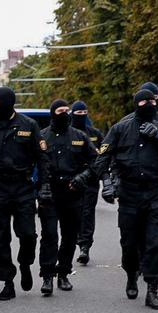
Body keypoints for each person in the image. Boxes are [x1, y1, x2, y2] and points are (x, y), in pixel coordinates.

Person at [94, 89, 158, 310]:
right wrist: (107, 183)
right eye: (144, 101)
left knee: (155, 243)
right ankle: (131, 274)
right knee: (130, 244)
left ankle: (152, 289)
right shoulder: (120, 128)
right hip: (129, 194)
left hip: (156, 193)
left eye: (152, 100)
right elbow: (101, 158)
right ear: (136, 104)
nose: (149, 104)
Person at [0, 87, 49, 301]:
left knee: (28, 234)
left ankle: (25, 264)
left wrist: (44, 185)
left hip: (22, 187)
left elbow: (43, 158)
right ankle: (7, 280)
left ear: (8, 103)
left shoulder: (28, 125)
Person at [38, 100, 97, 295]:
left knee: (70, 236)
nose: (63, 114)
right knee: (49, 235)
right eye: (59, 111)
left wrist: (83, 178)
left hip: (73, 191)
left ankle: (63, 273)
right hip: (49, 193)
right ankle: (47, 276)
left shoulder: (80, 136)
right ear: (52, 113)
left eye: (66, 111)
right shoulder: (42, 137)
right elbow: (30, 163)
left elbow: (96, 161)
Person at [70, 100, 104, 265]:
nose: (82, 116)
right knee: (73, 213)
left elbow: (102, 154)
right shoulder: (67, 132)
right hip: (71, 180)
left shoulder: (95, 133)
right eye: (78, 114)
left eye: (84, 113)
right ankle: (76, 239)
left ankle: (85, 246)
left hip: (90, 180)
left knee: (87, 213)